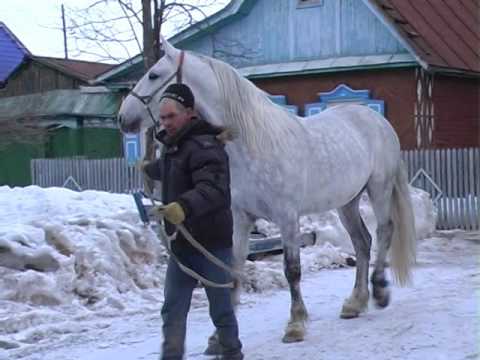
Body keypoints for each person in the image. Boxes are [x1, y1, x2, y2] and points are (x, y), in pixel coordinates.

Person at [141, 83, 243, 360]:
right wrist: (151, 168)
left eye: (170, 116)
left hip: (210, 243)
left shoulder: (206, 146)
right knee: (172, 308)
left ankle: (232, 353)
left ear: (189, 112)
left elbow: (212, 189)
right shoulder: (176, 146)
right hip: (183, 244)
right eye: (162, 118)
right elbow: (177, 170)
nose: (165, 123)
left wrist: (183, 207)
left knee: (220, 309)